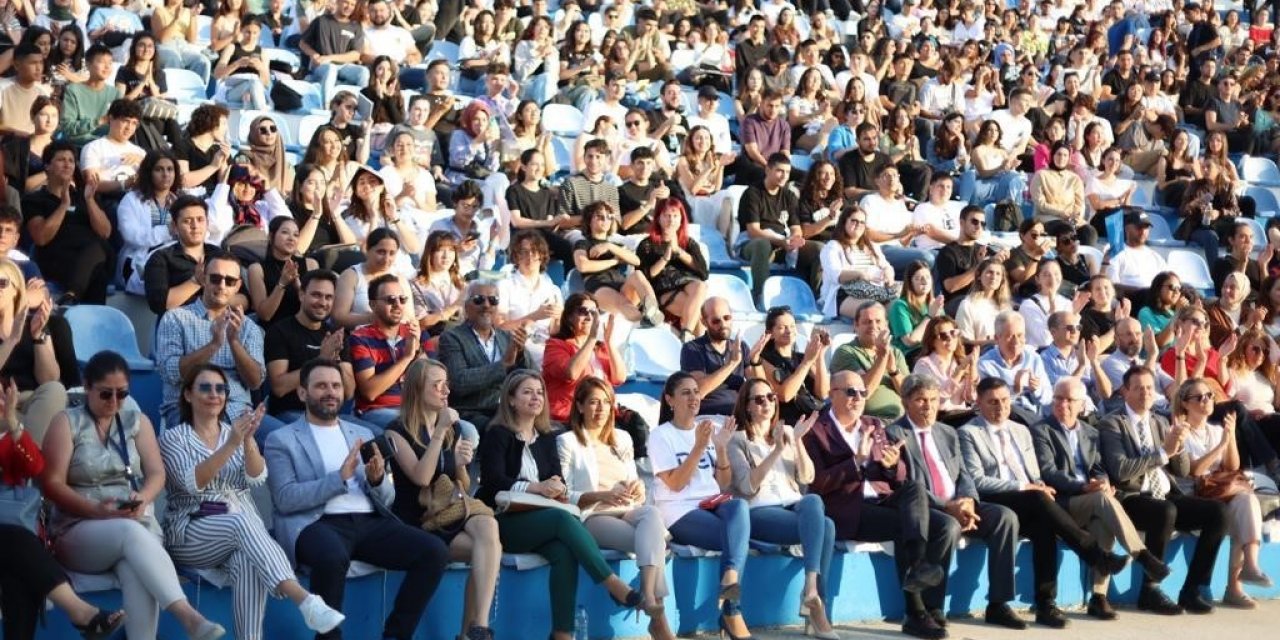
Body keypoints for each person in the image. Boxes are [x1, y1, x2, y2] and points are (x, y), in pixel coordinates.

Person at [40, 351, 227, 640]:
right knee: (132, 534)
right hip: (77, 527)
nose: (114, 402)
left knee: (135, 566)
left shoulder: (136, 421)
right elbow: (51, 484)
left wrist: (143, 497)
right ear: (86, 386)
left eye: (122, 394)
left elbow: (156, 474)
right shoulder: (67, 422)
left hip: (131, 521)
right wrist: (95, 510)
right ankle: (187, 616)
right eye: (105, 394)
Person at [263, 358, 450, 640]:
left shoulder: (363, 434)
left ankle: (396, 636)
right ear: (303, 393)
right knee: (331, 556)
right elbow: (286, 499)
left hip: (368, 522)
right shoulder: (281, 439)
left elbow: (387, 498)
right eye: (321, 386)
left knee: (434, 551)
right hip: (315, 523)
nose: (330, 392)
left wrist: (376, 480)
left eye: (336, 386)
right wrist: (338, 479)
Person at [158, 365, 345, 639]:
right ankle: (305, 600)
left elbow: (257, 477)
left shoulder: (232, 431)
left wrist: (246, 441)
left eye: (220, 389)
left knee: (248, 561)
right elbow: (192, 484)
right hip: (191, 529)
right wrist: (232, 443)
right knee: (242, 522)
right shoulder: (173, 438)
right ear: (188, 395)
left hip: (239, 531)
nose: (214, 394)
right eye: (205, 388)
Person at [476, 370, 644, 640]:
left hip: (539, 519)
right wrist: (537, 487)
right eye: (527, 392)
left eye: (540, 392)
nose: (536, 397)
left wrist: (556, 486)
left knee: (563, 551)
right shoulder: (497, 434)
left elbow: (558, 479)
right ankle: (611, 584)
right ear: (510, 400)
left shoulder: (545, 437)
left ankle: (562, 634)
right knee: (563, 520)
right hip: (504, 520)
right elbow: (494, 483)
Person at [958, 377, 1131, 627]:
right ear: (979, 403)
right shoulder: (969, 433)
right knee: (1040, 500)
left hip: (1028, 499)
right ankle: (1094, 554)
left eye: (1005, 400)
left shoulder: (1021, 430)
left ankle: (1045, 604)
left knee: (1045, 525)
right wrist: (1025, 487)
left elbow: (1034, 475)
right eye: (992, 402)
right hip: (993, 499)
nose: (1000, 407)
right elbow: (977, 481)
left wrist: (1038, 485)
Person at [801, 368, 951, 639]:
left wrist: (893, 466)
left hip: (883, 499)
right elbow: (816, 483)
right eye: (850, 392)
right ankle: (915, 613)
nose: (858, 398)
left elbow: (898, 477)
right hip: (848, 509)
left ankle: (928, 596)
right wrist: (854, 463)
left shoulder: (874, 425)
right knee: (904, 525)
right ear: (831, 394)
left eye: (862, 392)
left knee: (940, 519)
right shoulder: (815, 431)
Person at [886, 374, 1025, 631]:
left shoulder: (948, 432)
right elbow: (905, 486)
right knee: (948, 525)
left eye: (933, 399)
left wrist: (969, 502)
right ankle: (933, 606)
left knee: (1005, 517)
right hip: (927, 509)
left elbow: (964, 474)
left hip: (959, 503)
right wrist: (947, 506)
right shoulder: (894, 433)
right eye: (920, 400)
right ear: (906, 403)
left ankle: (999, 603)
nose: (928, 406)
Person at [1031, 376, 1172, 619]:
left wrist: (1104, 481)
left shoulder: (1089, 432)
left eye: (1069, 400)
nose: (1062, 404)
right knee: (1102, 501)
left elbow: (1097, 466)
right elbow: (1048, 471)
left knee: (1103, 516)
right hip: (1062, 502)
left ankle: (1098, 597)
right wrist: (1084, 487)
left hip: (1090, 498)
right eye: (1058, 399)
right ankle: (1143, 556)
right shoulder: (1042, 430)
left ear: (1081, 404)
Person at [1097, 366, 1229, 615]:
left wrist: (1178, 445)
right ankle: (1150, 589)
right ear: (1125, 392)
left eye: (1149, 387)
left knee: (1218, 512)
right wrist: (1162, 453)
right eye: (1138, 388)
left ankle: (1192, 589)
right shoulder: (1112, 423)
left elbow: (1181, 470)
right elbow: (1121, 470)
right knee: (1164, 511)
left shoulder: (1159, 421)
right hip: (1134, 497)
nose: (1145, 393)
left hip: (1166, 493)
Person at [384, 359, 500, 640]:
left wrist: (461, 463)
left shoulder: (454, 429)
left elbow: (462, 485)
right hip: (418, 521)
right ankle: (468, 634)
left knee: (488, 529)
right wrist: (438, 433)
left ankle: (478, 627)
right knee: (485, 549)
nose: (445, 390)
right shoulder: (396, 431)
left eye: (446, 384)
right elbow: (422, 478)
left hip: (450, 514)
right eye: (436, 385)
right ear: (416, 389)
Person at [556, 378, 675, 640]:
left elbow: (634, 479)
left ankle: (647, 597)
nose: (600, 409)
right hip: (594, 514)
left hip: (628, 509)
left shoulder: (622, 438)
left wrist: (639, 490)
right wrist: (604, 495)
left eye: (606, 402)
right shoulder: (567, 442)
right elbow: (565, 494)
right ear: (580, 406)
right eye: (594, 402)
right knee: (652, 542)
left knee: (652, 514)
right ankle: (659, 619)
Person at [724, 379, 837, 637]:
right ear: (747, 407)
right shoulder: (737, 441)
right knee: (827, 527)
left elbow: (807, 478)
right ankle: (816, 608)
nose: (767, 403)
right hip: (759, 512)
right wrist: (776, 450)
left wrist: (796, 443)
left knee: (815, 503)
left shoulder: (785, 434)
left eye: (771, 398)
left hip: (792, 506)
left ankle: (810, 589)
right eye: (759, 399)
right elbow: (746, 487)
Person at [649, 372, 755, 640]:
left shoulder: (709, 430)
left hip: (713, 503)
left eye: (696, 392)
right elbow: (675, 484)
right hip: (679, 509)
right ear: (670, 399)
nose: (694, 397)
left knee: (739, 508)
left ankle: (730, 581)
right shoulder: (660, 436)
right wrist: (698, 447)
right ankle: (732, 611)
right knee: (735, 538)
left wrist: (719, 450)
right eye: (686, 392)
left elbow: (722, 482)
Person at [1169, 378, 1275, 607]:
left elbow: (1231, 467)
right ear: (1185, 404)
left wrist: (1230, 439)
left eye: (1209, 395)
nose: (1206, 400)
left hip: (1220, 492)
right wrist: (1221, 445)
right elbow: (1192, 471)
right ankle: (1236, 585)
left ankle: (1249, 567)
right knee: (1239, 509)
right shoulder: (1180, 430)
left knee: (1246, 501)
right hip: (1193, 495)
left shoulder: (1216, 430)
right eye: (1199, 397)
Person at [154, 253, 274, 432]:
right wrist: (214, 345)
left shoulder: (248, 327)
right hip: (189, 409)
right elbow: (170, 373)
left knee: (284, 442)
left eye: (230, 281)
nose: (222, 286)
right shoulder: (176, 318)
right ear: (203, 279)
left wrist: (233, 342)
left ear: (238, 286)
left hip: (239, 412)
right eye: (215, 278)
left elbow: (255, 381)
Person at [21, 141, 114, 304]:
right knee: (98, 274)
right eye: (61, 160)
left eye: (71, 161)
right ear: (47, 166)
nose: (67, 165)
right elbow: (41, 237)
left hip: (92, 253)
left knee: (97, 247)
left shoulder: (85, 195)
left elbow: (105, 232)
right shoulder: (34, 200)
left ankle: (72, 295)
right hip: (57, 258)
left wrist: (90, 201)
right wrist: (63, 205)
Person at [264, 270, 358, 429]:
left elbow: (348, 392)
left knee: (375, 434)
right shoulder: (280, 331)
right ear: (301, 295)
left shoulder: (337, 335)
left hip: (334, 415)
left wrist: (336, 358)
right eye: (316, 295)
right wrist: (321, 359)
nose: (323, 302)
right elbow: (279, 387)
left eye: (328, 297)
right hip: (291, 413)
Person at [437, 281, 532, 430]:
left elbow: (531, 377)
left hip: (508, 410)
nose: (487, 305)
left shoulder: (507, 338)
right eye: (478, 299)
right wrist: (503, 365)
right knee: (503, 430)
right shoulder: (451, 337)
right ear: (466, 307)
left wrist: (519, 355)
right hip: (471, 412)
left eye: (493, 300)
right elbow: (459, 382)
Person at [738, 152, 822, 300]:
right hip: (753, 244)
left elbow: (796, 227)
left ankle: (816, 297)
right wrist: (782, 242)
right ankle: (760, 295)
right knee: (762, 245)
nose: (784, 176)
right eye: (779, 171)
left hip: (782, 244)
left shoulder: (789, 196)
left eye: (787, 172)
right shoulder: (752, 193)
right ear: (767, 170)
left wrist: (795, 239)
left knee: (819, 249)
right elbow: (753, 231)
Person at [348, 274, 427, 430]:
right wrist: (406, 358)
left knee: (466, 430)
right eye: (390, 300)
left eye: (402, 299)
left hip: (414, 409)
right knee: (414, 426)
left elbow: (427, 381)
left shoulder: (413, 333)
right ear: (372, 305)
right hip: (377, 410)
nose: (398, 305)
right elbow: (370, 392)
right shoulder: (360, 338)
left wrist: (417, 351)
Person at [573, 201, 664, 326]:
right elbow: (583, 266)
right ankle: (644, 323)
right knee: (622, 302)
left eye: (609, 217)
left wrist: (609, 246)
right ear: (589, 220)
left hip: (620, 283)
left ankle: (654, 313)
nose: (605, 219)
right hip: (598, 285)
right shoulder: (582, 244)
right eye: (599, 216)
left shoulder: (615, 246)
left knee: (637, 274)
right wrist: (614, 261)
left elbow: (636, 261)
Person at [542, 293, 627, 425]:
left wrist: (609, 342)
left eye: (593, 312)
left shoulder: (601, 348)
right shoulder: (555, 345)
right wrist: (592, 338)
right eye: (582, 311)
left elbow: (619, 378)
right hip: (568, 419)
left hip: (602, 418)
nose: (588, 316)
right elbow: (571, 373)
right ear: (569, 317)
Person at [636, 198, 709, 337]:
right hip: (664, 290)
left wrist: (679, 251)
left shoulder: (689, 243)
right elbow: (644, 277)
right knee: (697, 311)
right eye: (666, 215)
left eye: (675, 216)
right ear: (658, 218)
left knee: (701, 287)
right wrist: (665, 258)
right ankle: (694, 343)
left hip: (688, 285)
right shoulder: (647, 245)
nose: (671, 220)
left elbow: (703, 272)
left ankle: (686, 335)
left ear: (682, 219)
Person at [142, 196, 227, 315]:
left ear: (207, 224)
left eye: (200, 219)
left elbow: (244, 299)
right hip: (177, 326)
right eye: (187, 221)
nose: (195, 226)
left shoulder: (220, 255)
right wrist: (196, 282)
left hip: (220, 322)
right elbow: (158, 304)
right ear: (174, 227)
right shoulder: (161, 258)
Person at [680, 297, 765, 416]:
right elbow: (698, 391)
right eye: (716, 321)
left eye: (727, 318)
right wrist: (731, 364)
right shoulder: (693, 349)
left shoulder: (740, 346)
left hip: (740, 416)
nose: (723, 324)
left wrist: (756, 361)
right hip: (710, 416)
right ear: (704, 322)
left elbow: (761, 389)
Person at [118, 150, 181, 292]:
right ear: (148, 173)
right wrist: (167, 230)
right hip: (137, 262)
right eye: (159, 169)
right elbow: (130, 236)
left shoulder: (178, 202)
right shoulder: (131, 200)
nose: (166, 174)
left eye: (170, 169)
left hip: (172, 260)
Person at [819, 206, 895, 321]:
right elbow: (836, 276)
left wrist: (888, 273)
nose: (858, 225)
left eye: (862, 222)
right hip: (844, 294)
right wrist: (860, 274)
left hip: (875, 291)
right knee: (875, 311)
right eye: (854, 221)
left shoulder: (871, 246)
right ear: (844, 222)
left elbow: (886, 266)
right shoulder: (832, 247)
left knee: (897, 308)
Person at [977, 311, 1053, 424]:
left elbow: (1048, 398)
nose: (1016, 341)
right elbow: (987, 404)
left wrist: (1036, 390)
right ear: (997, 338)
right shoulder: (985, 364)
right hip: (1005, 419)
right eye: (1010, 336)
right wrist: (1015, 390)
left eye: (1020, 335)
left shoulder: (1033, 358)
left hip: (1034, 416)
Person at [332, 229, 415, 330]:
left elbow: (410, 317)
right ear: (368, 249)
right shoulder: (351, 276)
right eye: (381, 252)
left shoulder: (400, 279)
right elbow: (339, 317)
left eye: (392, 253)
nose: (386, 259)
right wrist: (373, 319)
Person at [935, 206, 1009, 317]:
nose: (979, 226)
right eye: (974, 222)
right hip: (958, 302)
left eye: (982, 224)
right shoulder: (948, 252)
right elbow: (950, 287)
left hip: (984, 299)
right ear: (962, 223)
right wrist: (979, 266)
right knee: (977, 305)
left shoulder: (984, 249)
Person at [247, 217, 318, 328]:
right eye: (285, 232)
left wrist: (298, 286)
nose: (291, 238)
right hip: (273, 330)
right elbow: (265, 315)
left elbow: (316, 308)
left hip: (305, 329)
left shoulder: (310, 264)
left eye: (296, 235)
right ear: (271, 236)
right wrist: (282, 284)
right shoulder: (256, 269)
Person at [1031, 142, 1094, 245]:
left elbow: (1079, 203)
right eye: (1058, 154)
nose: (1061, 158)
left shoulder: (1075, 178)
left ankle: (1084, 259)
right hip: (1048, 219)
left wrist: (1076, 216)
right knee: (1065, 230)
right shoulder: (1041, 175)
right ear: (1052, 155)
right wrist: (1062, 213)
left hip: (1071, 219)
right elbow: (1041, 204)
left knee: (1089, 232)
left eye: (1065, 155)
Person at [299, 0, 371, 89]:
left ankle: (361, 101)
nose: (349, 7)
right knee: (331, 69)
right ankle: (327, 102)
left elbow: (356, 55)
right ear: (338, 2)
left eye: (352, 5)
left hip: (344, 66)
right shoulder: (321, 21)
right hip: (322, 66)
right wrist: (313, 54)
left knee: (363, 72)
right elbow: (303, 43)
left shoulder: (356, 27)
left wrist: (330, 58)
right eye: (346, 2)